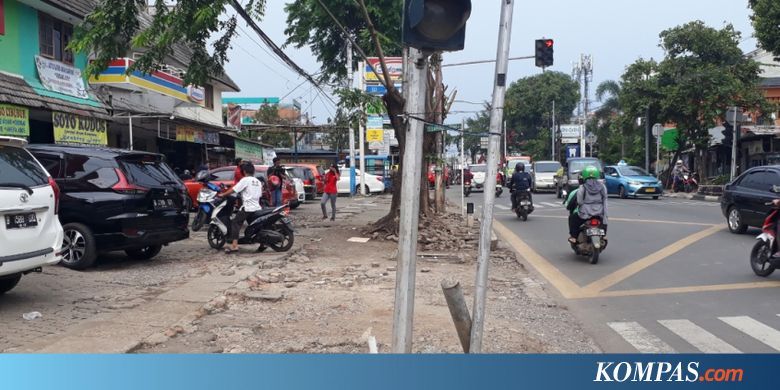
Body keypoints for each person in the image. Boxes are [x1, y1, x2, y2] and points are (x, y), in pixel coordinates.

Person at [218, 163, 263, 254]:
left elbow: (234, 189)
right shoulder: (258, 181)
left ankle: (234, 246)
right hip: (257, 207)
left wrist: (223, 194)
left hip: (247, 208)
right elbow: (260, 194)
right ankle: (263, 244)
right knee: (256, 226)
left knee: (235, 223)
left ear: (244, 171)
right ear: (253, 171)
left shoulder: (245, 180)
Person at [566, 166, 608, 244]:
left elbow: (580, 202)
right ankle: (604, 236)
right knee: (604, 220)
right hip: (599, 213)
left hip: (585, 214)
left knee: (573, 218)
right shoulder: (602, 187)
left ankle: (574, 237)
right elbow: (605, 199)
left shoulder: (582, 187)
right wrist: (604, 212)